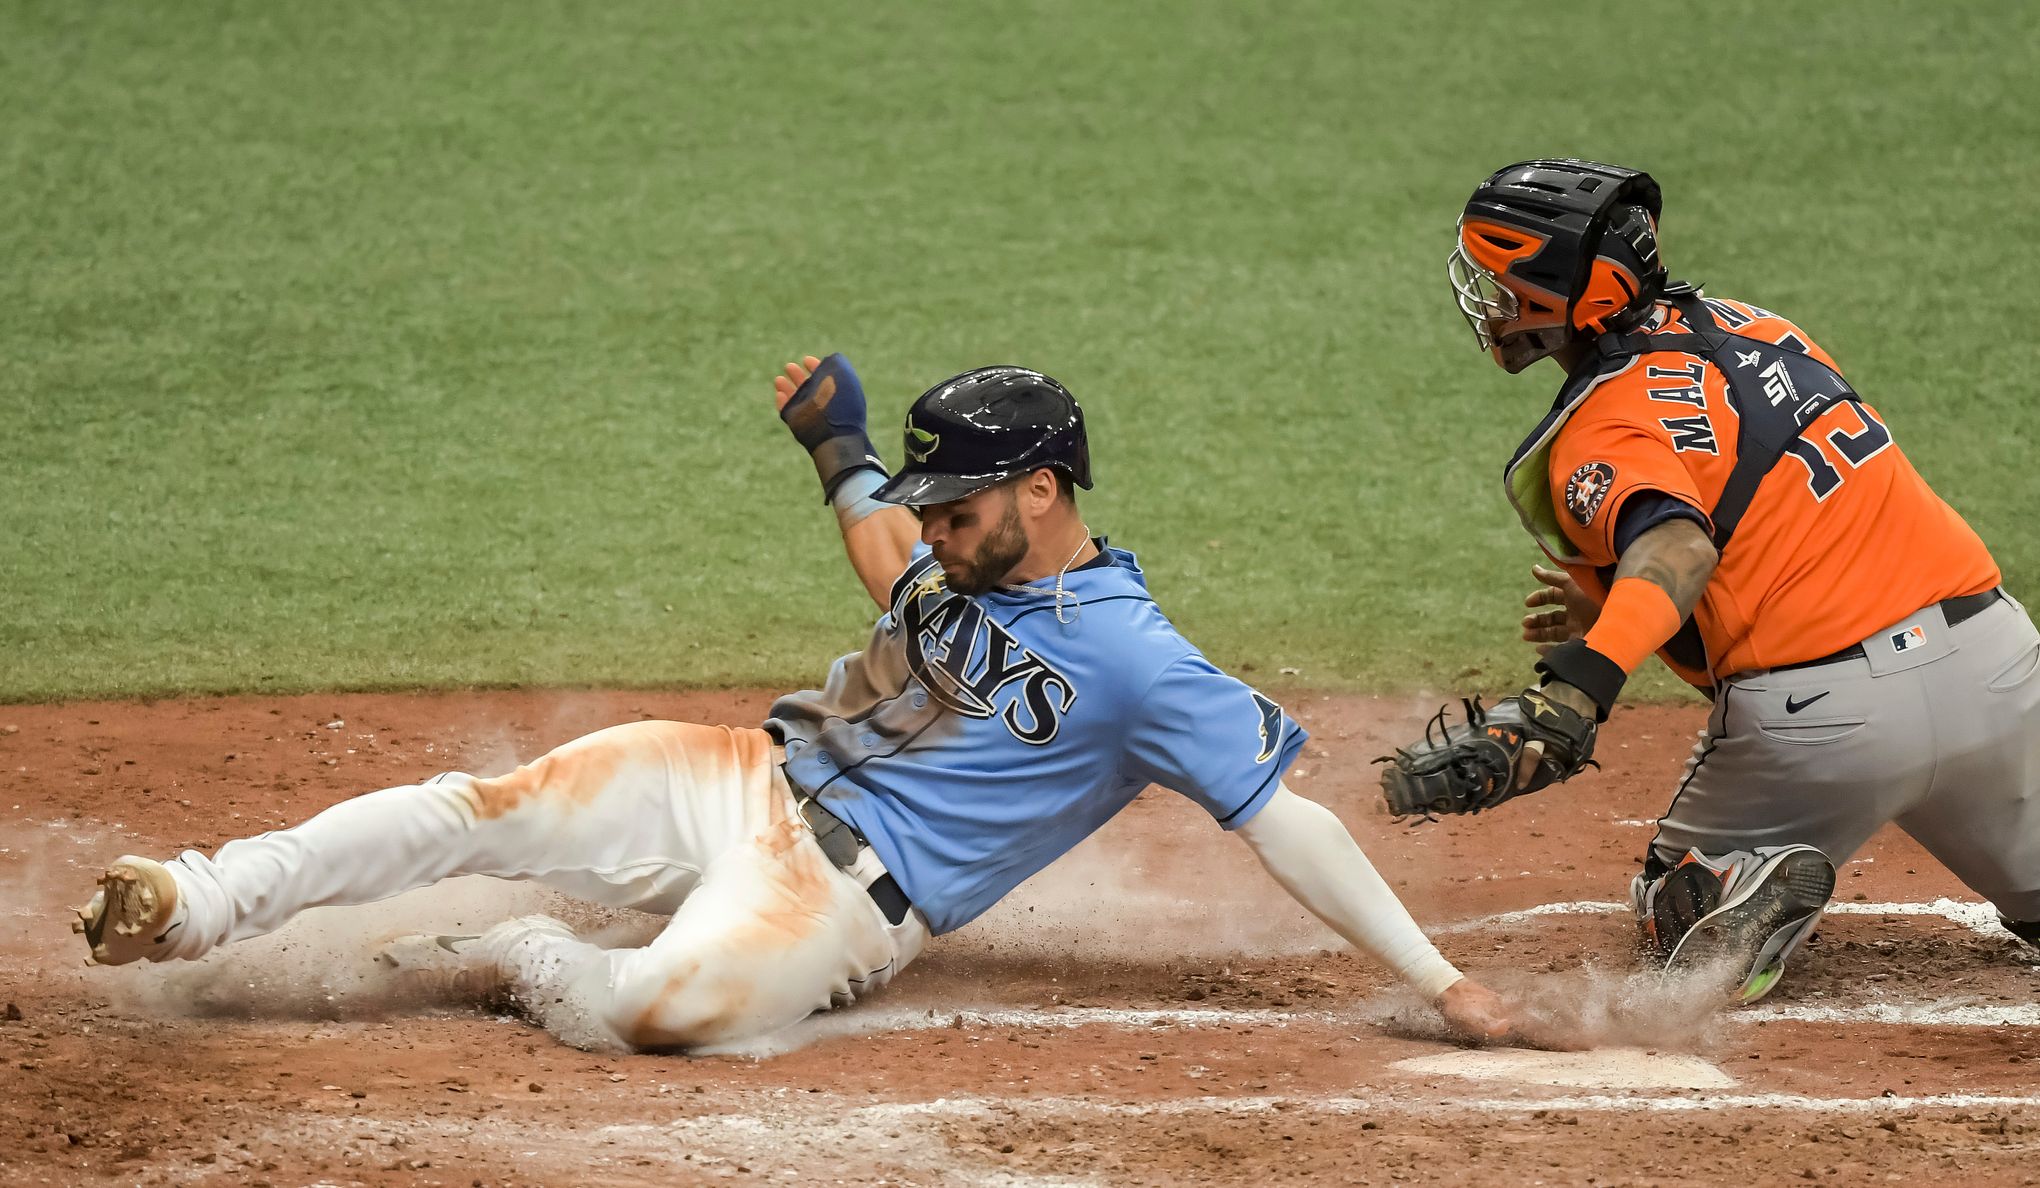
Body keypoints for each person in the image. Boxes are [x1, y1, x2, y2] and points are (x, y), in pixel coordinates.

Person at [72, 354, 1518, 1050]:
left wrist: (1441, 982)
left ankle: (526, 953)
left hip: (844, 898)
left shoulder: (1143, 667)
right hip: (737, 774)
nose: (931, 526)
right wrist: (834, 444)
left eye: (958, 506)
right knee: (476, 807)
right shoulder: (953, 559)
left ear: (1044, 492)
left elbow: (1286, 825)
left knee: (670, 1015)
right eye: (928, 503)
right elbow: (884, 542)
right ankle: (200, 897)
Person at [1392, 158, 2038, 1002]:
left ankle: (1731, 892)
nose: (1488, 297)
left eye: (1502, 279)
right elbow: (1758, 518)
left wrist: (1579, 688)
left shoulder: (1598, 432)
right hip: (1997, 667)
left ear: (1555, 298)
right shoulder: (1762, 328)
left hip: (1829, 730)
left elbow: (1682, 551)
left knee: (1670, 919)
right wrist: (1621, 602)